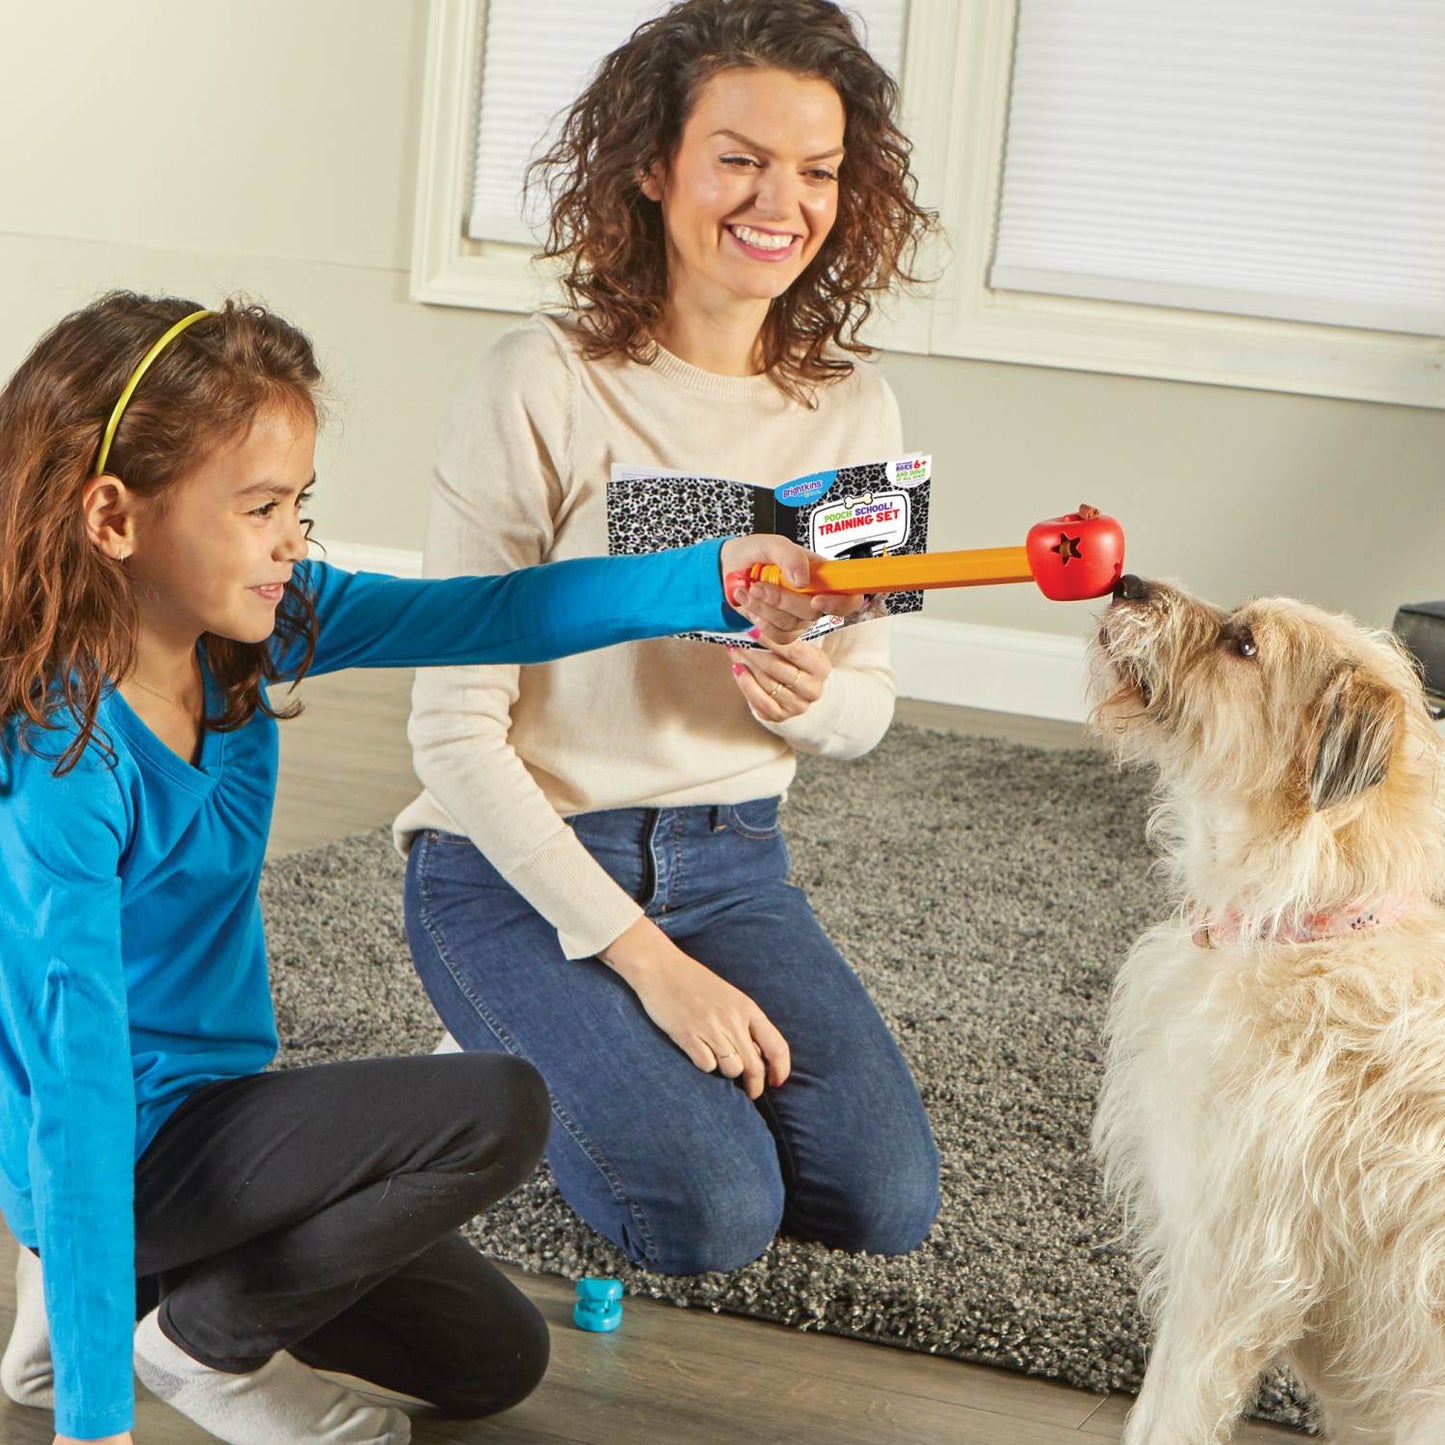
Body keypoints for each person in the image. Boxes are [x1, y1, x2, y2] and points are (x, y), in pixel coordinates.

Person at [0, 291, 840, 1445]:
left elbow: (497, 609)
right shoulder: (65, 767)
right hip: (114, 1149)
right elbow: (77, 1087)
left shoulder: (260, 629)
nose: (293, 537)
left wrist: (714, 581)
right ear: (113, 516)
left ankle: (120, 1307)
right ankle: (180, 1344)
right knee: (496, 1101)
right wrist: (98, 1424)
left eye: (300, 503)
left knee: (493, 1358)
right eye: (258, 508)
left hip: (212, 1119)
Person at [396, 0, 941, 1279]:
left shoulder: (854, 405)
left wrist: (803, 698)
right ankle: (500, 1041)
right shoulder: (536, 381)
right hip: (507, 860)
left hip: (733, 861)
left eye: (816, 171)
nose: (780, 201)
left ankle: (578, 1048)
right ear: (653, 166)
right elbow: (450, 734)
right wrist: (645, 968)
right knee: (705, 1215)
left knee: (882, 1198)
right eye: (739, 158)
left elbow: (867, 708)